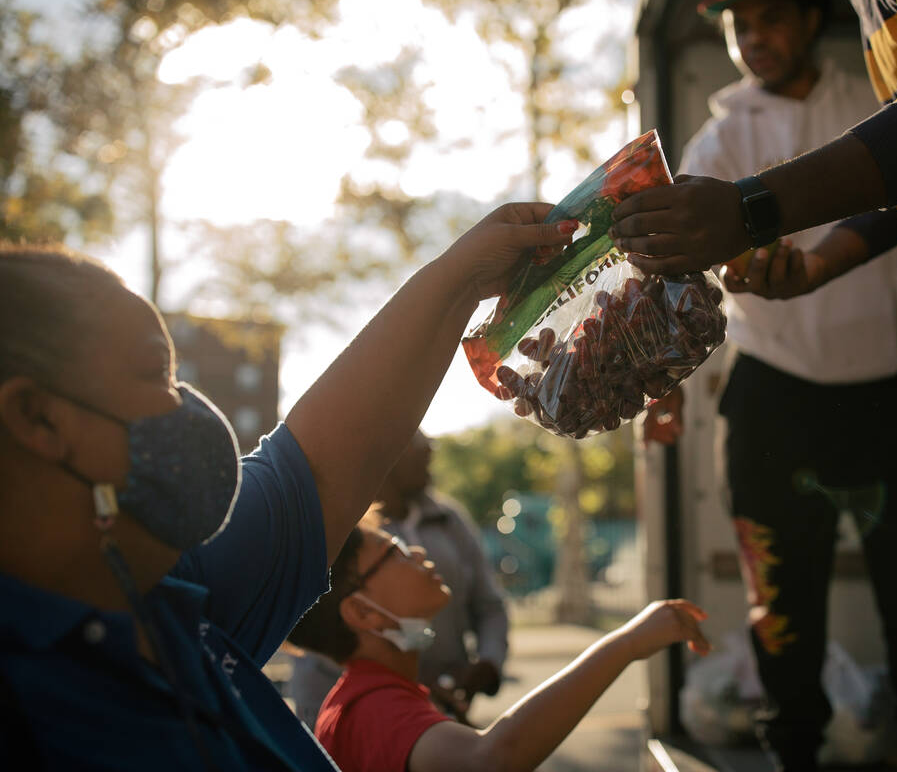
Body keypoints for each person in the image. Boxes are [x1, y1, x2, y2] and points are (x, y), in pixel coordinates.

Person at [0, 204, 574, 770]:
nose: (189, 408)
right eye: (157, 374)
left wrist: (465, 275)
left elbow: (328, 458)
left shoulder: (168, 593)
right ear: (39, 418)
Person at [614, 0, 897, 694]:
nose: (754, 39)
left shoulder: (879, 99)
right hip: (774, 399)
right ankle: (794, 749)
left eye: (772, 18)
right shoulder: (718, 140)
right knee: (781, 616)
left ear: (813, 21)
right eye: (738, 26)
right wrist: (665, 383)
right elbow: (683, 277)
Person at [287, 524, 711, 772]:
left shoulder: (375, 697)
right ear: (363, 613)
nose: (416, 551)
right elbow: (493, 758)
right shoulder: (373, 708)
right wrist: (628, 643)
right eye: (394, 551)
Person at [288, 431, 509, 728]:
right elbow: (503, 752)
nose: (430, 449)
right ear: (384, 455)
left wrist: (488, 662)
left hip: (432, 707)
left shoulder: (449, 519)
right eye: (397, 553)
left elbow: (488, 604)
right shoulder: (346, 538)